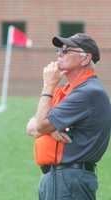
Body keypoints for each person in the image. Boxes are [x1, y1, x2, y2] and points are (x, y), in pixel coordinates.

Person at [26, 33, 111, 200]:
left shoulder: (88, 92)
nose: (59, 54)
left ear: (85, 59)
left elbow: (40, 125)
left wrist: (48, 86)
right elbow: (31, 126)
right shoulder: (69, 90)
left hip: (69, 180)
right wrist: (49, 130)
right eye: (58, 50)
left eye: (66, 50)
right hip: (59, 178)